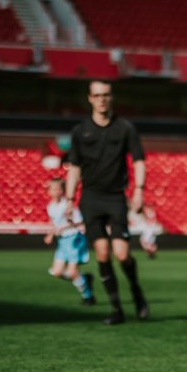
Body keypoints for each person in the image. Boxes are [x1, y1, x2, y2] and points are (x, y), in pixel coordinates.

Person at [65, 80, 149, 325]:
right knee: (102, 253)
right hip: (90, 198)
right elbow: (75, 167)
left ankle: (136, 291)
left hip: (115, 197)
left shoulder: (124, 128)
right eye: (97, 95)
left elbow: (139, 160)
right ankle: (116, 309)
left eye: (106, 95)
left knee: (122, 254)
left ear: (111, 98)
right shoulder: (80, 131)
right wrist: (70, 199)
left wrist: (139, 191)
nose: (102, 99)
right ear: (90, 98)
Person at [44, 176, 95, 305]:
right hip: (62, 241)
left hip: (74, 239)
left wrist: (65, 227)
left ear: (63, 190)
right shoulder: (50, 206)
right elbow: (53, 222)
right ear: (48, 191)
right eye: (53, 189)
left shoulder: (68, 205)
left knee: (72, 272)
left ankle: (88, 296)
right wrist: (50, 234)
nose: (56, 192)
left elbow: (79, 222)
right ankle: (84, 278)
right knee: (56, 272)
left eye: (58, 189)